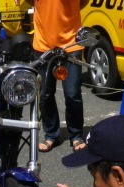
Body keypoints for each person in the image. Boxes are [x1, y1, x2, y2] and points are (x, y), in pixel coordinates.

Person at [33, 0, 86, 153]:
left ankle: (76, 135)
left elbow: (82, 2)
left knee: (72, 93)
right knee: (45, 93)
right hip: (43, 44)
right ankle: (51, 135)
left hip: (71, 44)